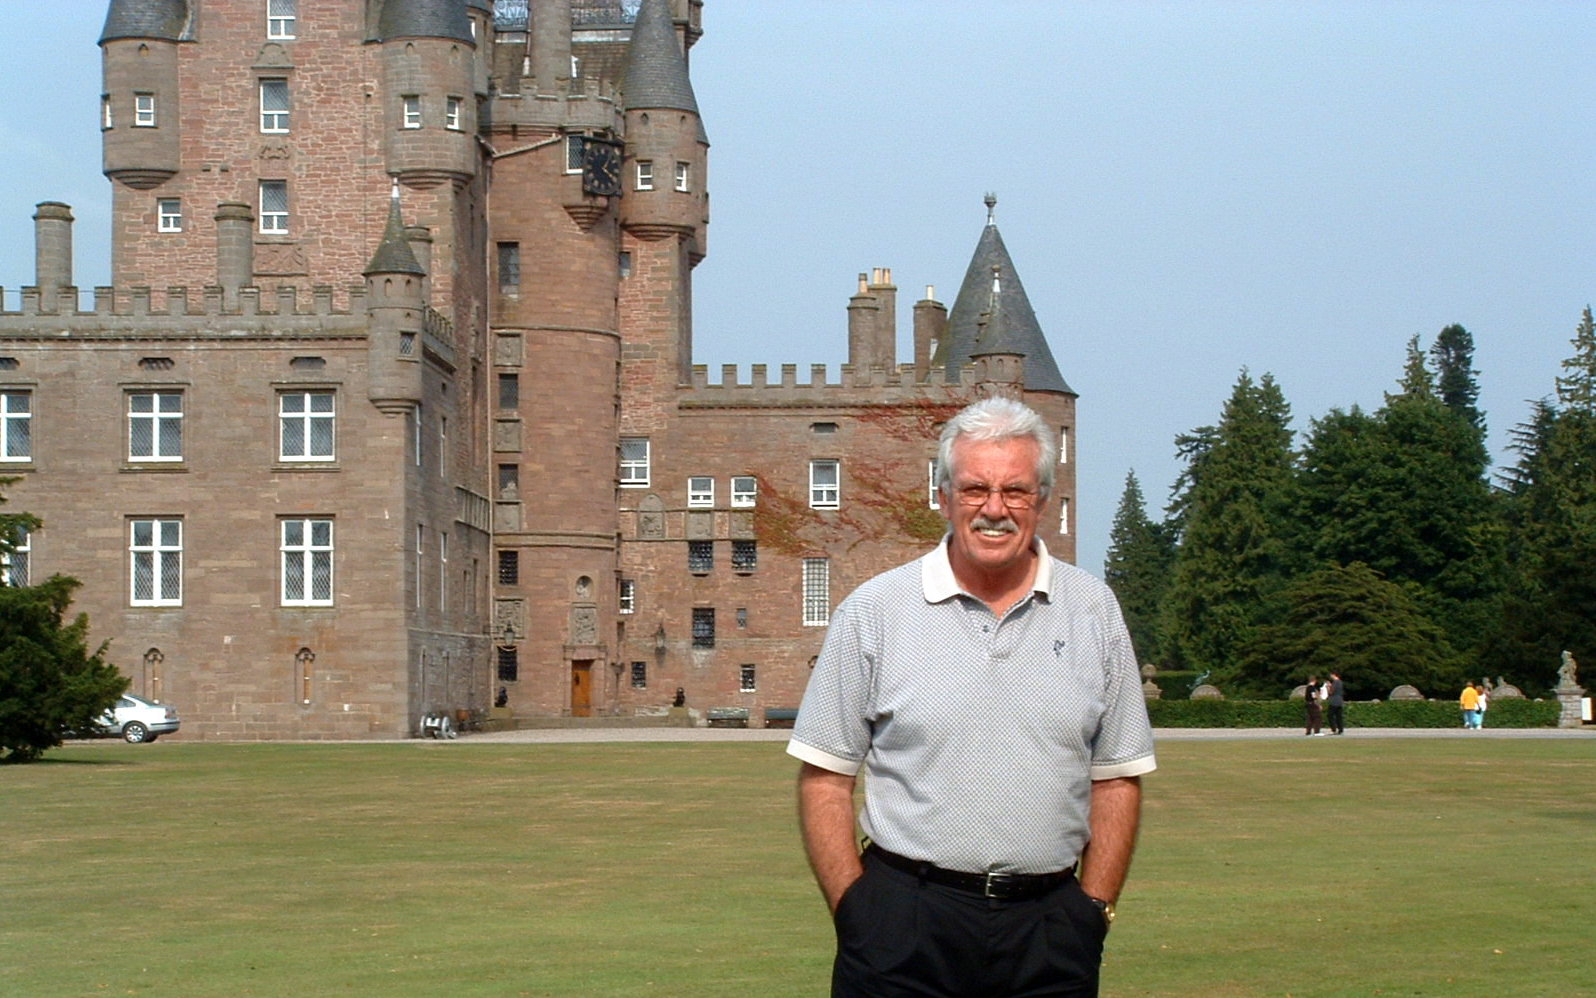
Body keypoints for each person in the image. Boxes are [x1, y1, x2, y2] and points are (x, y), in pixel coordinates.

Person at [787, 396, 1157, 998]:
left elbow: (1117, 777)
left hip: (1048, 930)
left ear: (1043, 500)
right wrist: (857, 913)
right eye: (975, 489)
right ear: (943, 497)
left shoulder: (1094, 610)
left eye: (1015, 491)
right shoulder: (875, 611)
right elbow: (825, 778)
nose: (994, 509)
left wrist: (1093, 913)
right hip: (903, 923)